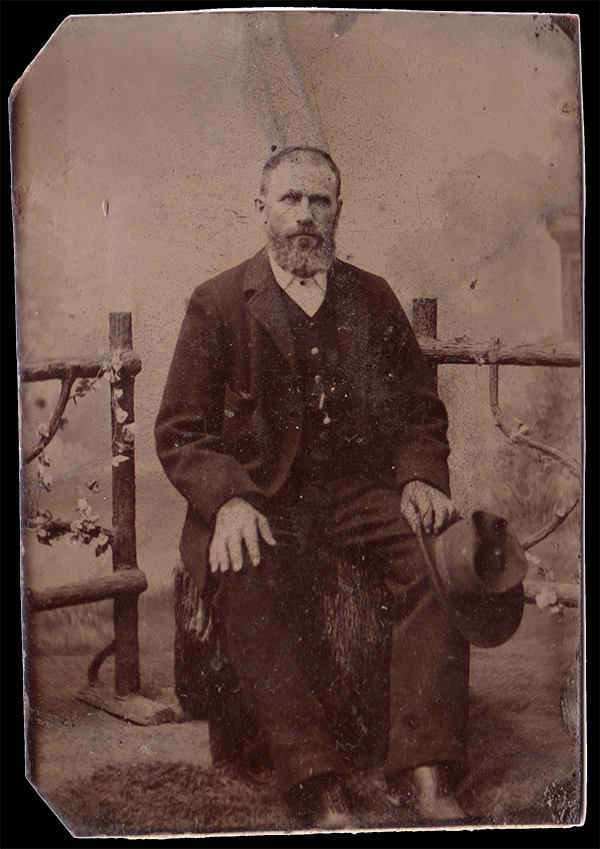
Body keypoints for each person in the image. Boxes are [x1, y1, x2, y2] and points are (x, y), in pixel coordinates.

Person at [155, 147, 470, 829]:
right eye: (291, 199)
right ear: (262, 208)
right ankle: (313, 778)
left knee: (438, 562)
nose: (305, 215)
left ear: (338, 212)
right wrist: (228, 499)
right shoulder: (218, 302)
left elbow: (418, 408)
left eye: (319, 201)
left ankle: (426, 764)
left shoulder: (373, 297)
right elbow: (181, 429)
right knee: (244, 571)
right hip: (261, 498)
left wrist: (419, 476)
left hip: (358, 495)